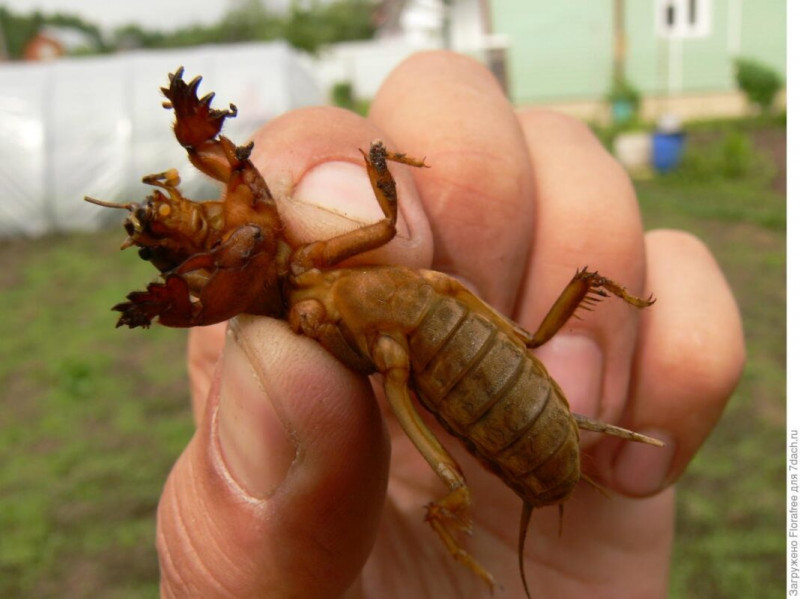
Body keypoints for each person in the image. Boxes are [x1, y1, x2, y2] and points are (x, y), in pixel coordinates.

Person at [154, 51, 745, 598]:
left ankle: (461, 528)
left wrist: (380, 163)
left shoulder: (303, 267)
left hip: (462, 359)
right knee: (478, 372)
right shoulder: (292, 300)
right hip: (432, 365)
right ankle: (457, 533)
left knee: (530, 335)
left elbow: (384, 226)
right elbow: (368, 231)